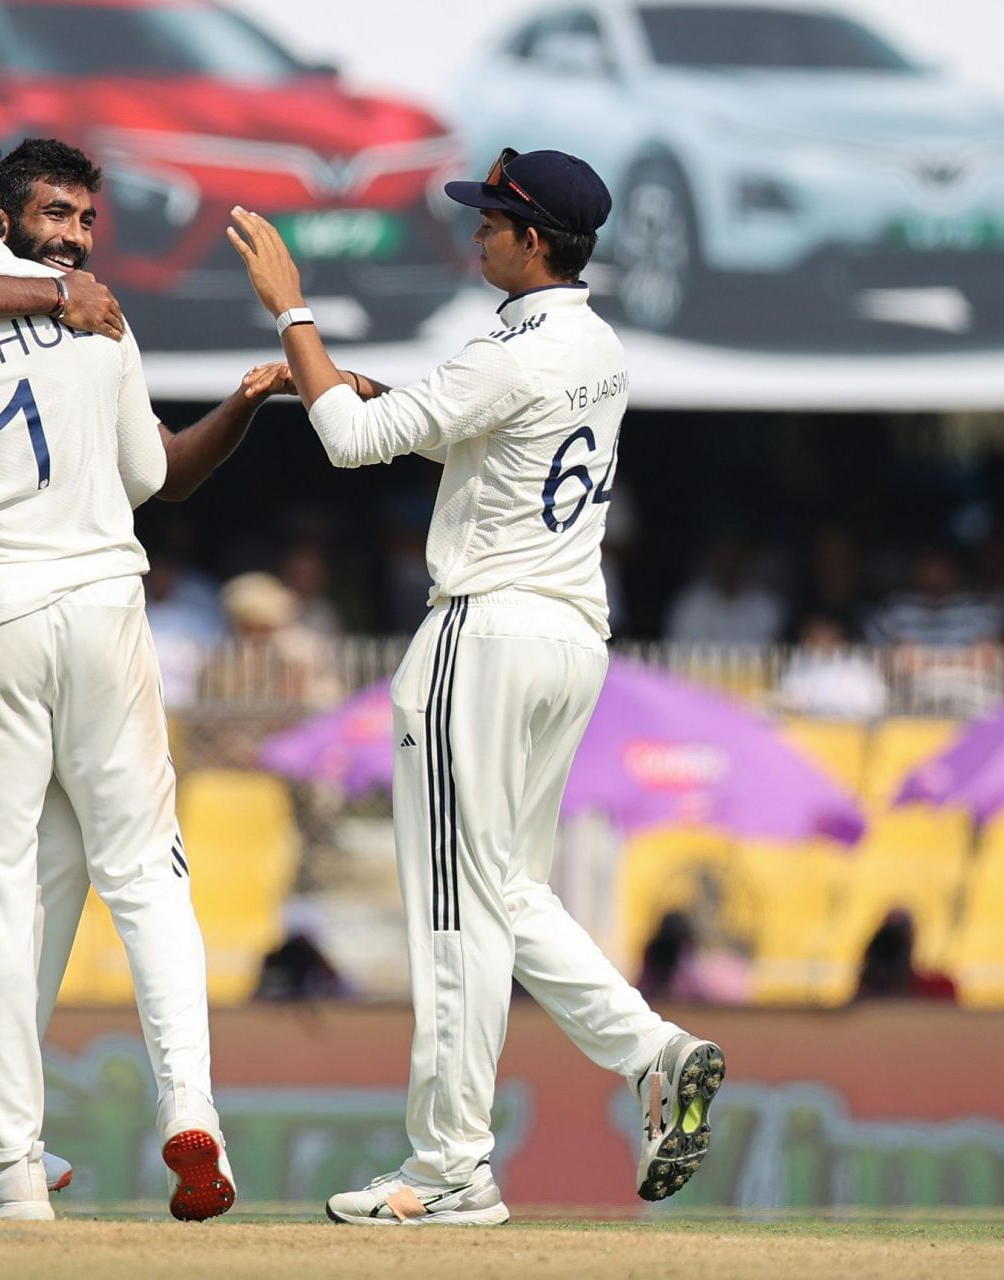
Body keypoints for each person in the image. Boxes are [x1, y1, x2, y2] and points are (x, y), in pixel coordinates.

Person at [227, 149, 726, 1225]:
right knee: (504, 891)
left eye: (493, 221)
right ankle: (651, 1052)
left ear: (534, 240)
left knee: (456, 907)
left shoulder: (508, 352)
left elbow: (352, 444)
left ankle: (449, 1164)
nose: (477, 234)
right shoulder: (597, 345)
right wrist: (372, 389)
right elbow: (481, 441)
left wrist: (291, 310)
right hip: (569, 635)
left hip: (484, 633)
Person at [0, 132, 277, 1218]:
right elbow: (148, 474)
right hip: (102, 607)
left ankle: (2, 1167)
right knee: (142, 871)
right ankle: (190, 1106)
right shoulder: (95, 313)